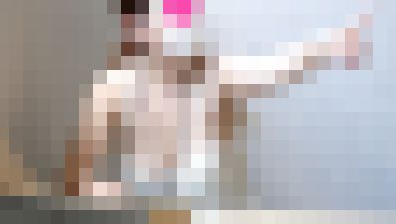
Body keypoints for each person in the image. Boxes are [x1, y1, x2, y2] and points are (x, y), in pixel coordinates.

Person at [64, 0, 372, 203]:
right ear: (135, 27)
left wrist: (330, 46)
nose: (172, 27)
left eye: (179, 16)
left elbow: (274, 70)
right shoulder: (116, 87)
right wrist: (121, 197)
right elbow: (76, 183)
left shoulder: (212, 76)